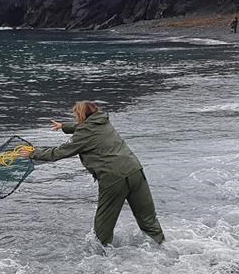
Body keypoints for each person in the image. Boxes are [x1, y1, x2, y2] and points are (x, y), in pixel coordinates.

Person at [23, 101, 165, 246]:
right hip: (135, 170)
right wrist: (64, 126)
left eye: (76, 115)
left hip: (113, 178)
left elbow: (59, 152)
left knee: (102, 230)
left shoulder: (83, 133)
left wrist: (33, 153)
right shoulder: (104, 122)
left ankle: (103, 255)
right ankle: (162, 247)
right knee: (148, 219)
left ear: (81, 116)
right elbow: (86, 127)